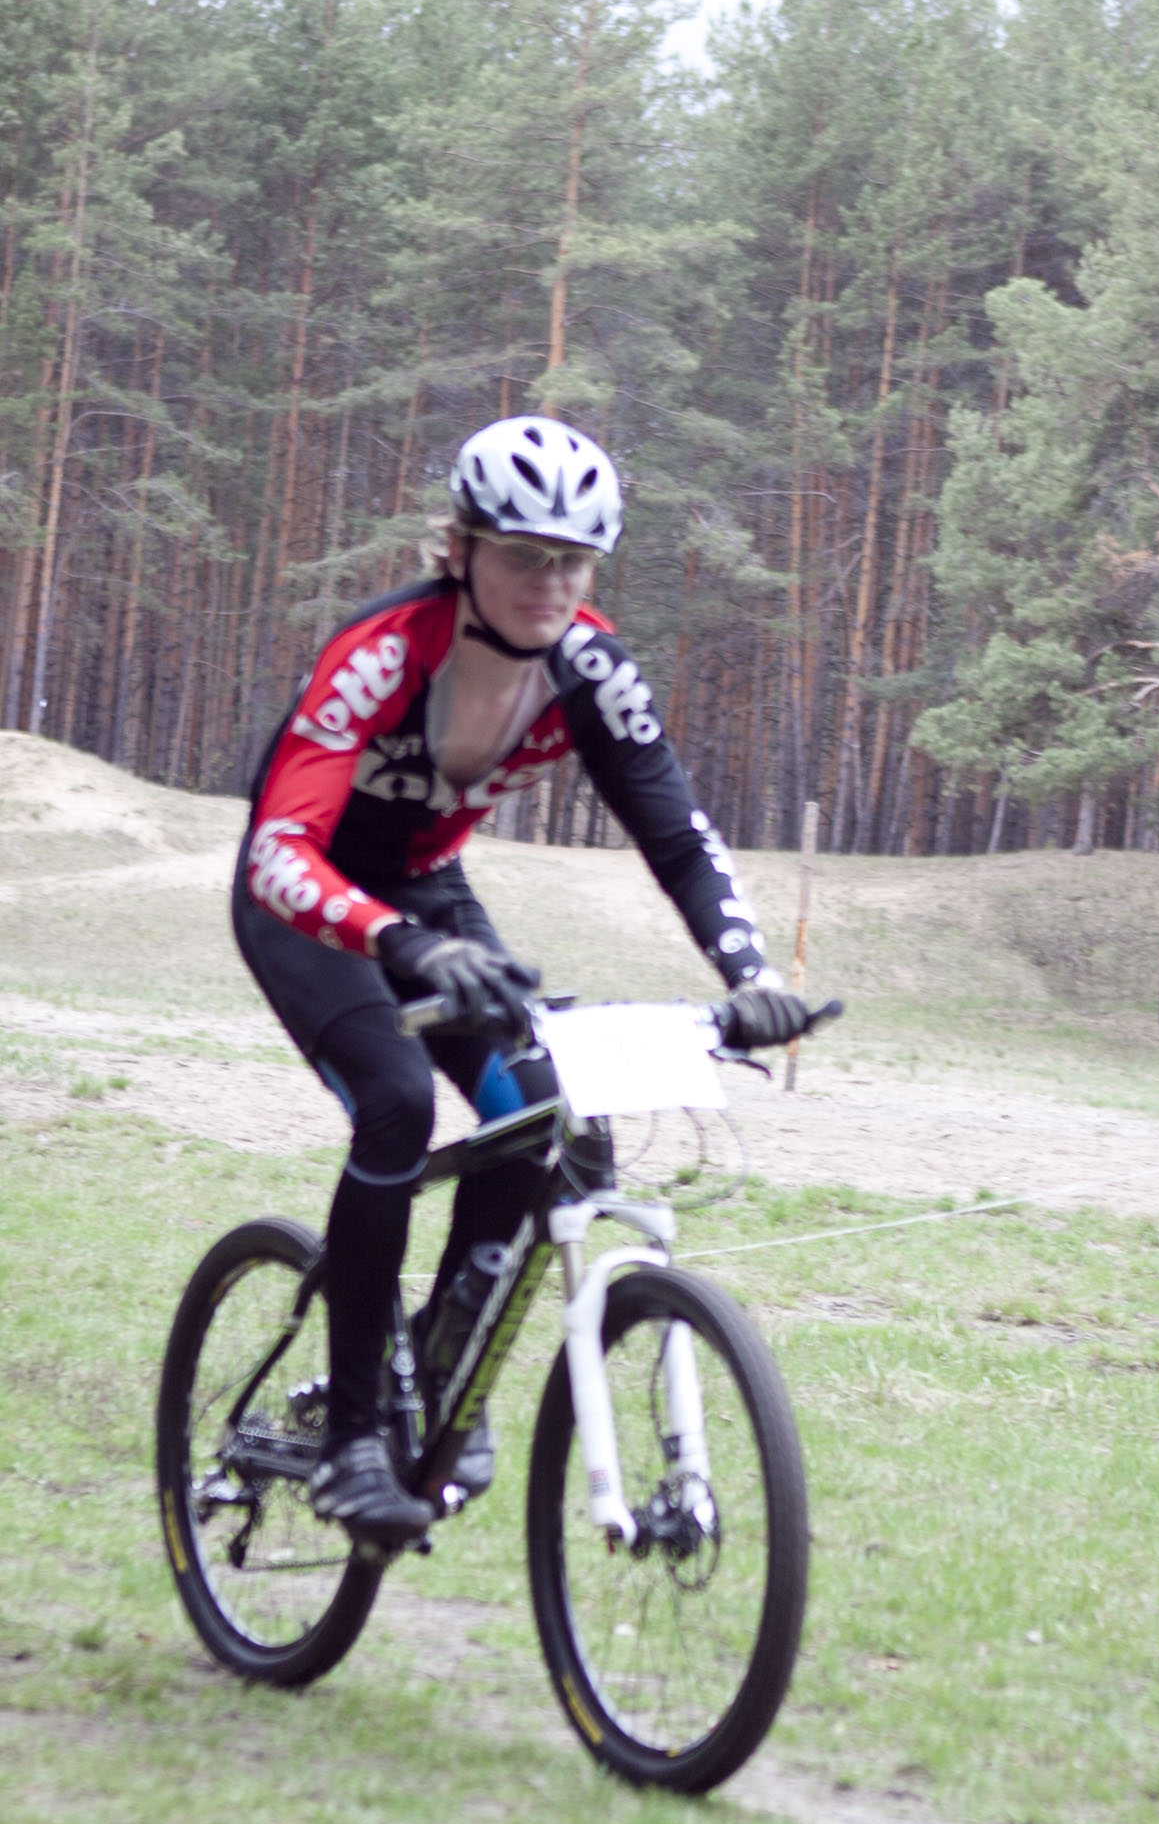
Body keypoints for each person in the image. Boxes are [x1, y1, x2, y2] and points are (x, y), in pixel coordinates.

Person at [233, 414, 809, 1545]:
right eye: (524, 555)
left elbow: (679, 835)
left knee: (550, 1114)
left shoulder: (591, 668)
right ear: (460, 549)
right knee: (397, 1103)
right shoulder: (385, 653)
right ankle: (352, 1438)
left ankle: (443, 1366)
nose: (551, 583)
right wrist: (400, 945)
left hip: (428, 897)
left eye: (575, 561)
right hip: (310, 905)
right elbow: (277, 851)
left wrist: (751, 974)